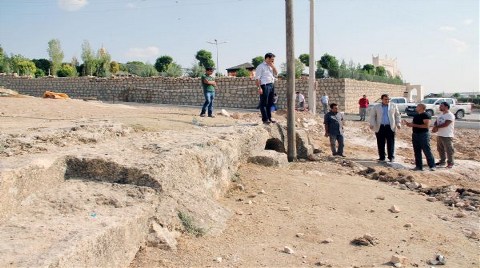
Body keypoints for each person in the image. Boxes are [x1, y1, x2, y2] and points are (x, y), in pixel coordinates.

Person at [368, 94, 401, 162]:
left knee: (391, 142)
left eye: (388, 99)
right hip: (380, 127)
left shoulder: (393, 106)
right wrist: (372, 124)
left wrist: (398, 123)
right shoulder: (376, 107)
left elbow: (397, 115)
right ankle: (382, 157)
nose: (387, 100)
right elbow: (372, 116)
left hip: (390, 127)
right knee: (380, 142)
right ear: (382, 99)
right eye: (385, 99)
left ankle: (391, 157)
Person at [403, 103, 436, 171]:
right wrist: (408, 124)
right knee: (417, 151)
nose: (416, 107)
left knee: (426, 150)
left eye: (418, 106)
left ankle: (432, 165)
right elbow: (413, 124)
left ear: (421, 107)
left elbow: (426, 126)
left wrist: (414, 125)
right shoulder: (416, 115)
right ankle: (418, 166)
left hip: (423, 134)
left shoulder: (425, 115)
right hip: (415, 134)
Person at [255, 53, 278, 124]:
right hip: (264, 86)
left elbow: (276, 74)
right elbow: (257, 78)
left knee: (270, 103)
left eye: (273, 60)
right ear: (267, 58)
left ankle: (269, 118)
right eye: (272, 60)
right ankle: (265, 119)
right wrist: (259, 88)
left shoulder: (271, 66)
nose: (273, 61)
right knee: (263, 103)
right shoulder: (260, 66)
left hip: (271, 85)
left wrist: (273, 67)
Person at [432, 102, 455, 168]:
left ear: (446, 107)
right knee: (440, 149)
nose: (440, 107)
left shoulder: (450, 115)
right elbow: (436, 121)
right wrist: (435, 126)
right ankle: (442, 161)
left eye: (441, 106)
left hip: (447, 135)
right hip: (440, 134)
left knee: (449, 150)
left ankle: (450, 162)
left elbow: (446, 124)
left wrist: (436, 127)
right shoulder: (441, 114)